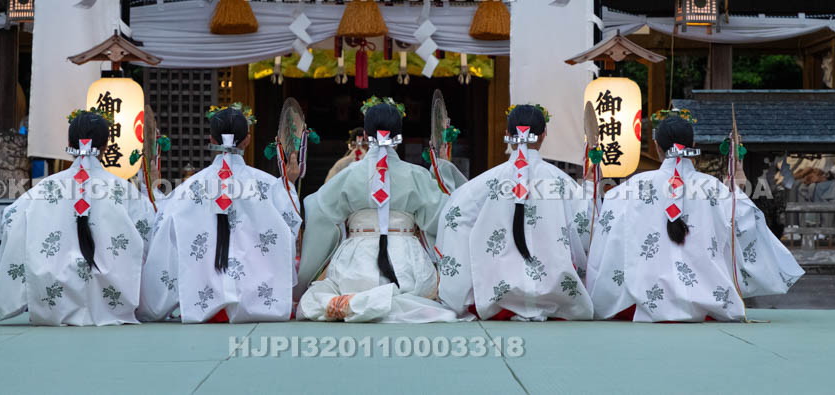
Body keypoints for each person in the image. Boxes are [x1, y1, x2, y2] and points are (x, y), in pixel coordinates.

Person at [585, 114, 805, 322]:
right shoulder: (715, 190)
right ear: (693, 145)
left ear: (657, 148)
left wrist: (591, 183)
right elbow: (745, 225)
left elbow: (603, 230)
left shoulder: (630, 189)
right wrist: (737, 190)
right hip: (708, 304)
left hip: (642, 304)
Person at [296, 97, 457, 323]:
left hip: (355, 264)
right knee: (415, 291)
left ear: (367, 131)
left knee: (329, 290)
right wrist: (445, 177)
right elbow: (442, 217)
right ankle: (387, 301)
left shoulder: (348, 174)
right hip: (406, 265)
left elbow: (318, 209)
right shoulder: (416, 175)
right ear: (398, 132)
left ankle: (352, 303)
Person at [138, 105, 301, 323]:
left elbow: (162, 229)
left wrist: (153, 193)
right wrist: (289, 186)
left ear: (212, 140)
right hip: (258, 307)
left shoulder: (188, 189)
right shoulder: (270, 187)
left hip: (202, 309)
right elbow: (290, 228)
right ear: (247, 140)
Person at [0, 111, 155, 325]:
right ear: (106, 146)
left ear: (69, 142)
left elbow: (11, 218)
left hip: (54, 307)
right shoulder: (127, 192)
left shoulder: (41, 191)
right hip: (113, 307)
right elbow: (149, 238)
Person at [436, 104, 594, 320]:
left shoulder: (484, 183)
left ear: (508, 134)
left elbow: (453, 218)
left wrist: (463, 283)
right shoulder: (563, 184)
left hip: (496, 297)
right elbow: (586, 227)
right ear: (544, 134)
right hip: (559, 299)